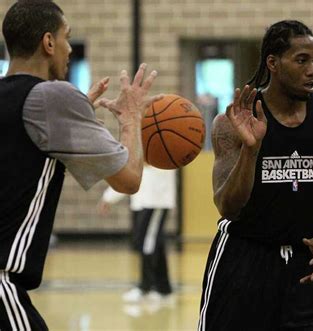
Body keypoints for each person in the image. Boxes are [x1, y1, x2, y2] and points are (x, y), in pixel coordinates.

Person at [0, 1, 160, 329]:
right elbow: (128, 180)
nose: (69, 49)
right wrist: (131, 119)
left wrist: (74, 117)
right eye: (66, 37)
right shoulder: (53, 97)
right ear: (48, 43)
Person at [198, 20, 313, 331]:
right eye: (301, 60)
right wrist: (251, 150)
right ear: (273, 63)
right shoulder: (233, 122)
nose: (312, 70)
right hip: (244, 260)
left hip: (303, 265)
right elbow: (228, 207)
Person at [97, 165, 176, 304]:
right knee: (155, 243)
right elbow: (132, 171)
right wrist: (109, 197)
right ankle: (164, 289)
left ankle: (145, 287)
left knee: (148, 243)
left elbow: (139, 166)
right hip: (143, 200)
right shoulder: (139, 145)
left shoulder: (167, 147)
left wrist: (109, 197)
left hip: (156, 199)